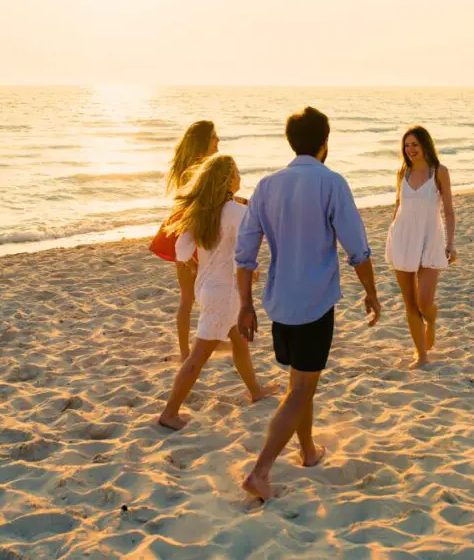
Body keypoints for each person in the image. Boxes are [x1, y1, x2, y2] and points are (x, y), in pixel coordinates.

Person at [235, 106, 382, 502]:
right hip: (315, 303)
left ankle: (308, 450)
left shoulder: (266, 186)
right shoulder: (331, 182)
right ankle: (261, 470)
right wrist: (371, 291)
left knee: (300, 380)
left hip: (280, 302)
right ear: (324, 142)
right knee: (301, 387)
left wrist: (245, 304)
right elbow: (357, 248)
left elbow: (245, 253)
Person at [157, 154, 278, 431]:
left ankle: (256, 390)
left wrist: (205, 260)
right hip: (225, 291)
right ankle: (169, 413)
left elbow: (183, 251)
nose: (239, 177)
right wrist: (249, 269)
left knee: (239, 341)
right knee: (199, 356)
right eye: (236, 172)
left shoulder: (198, 212)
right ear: (227, 179)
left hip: (207, 287)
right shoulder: (237, 212)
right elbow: (248, 245)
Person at [384, 126, 457, 368]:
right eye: (407, 145)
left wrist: (451, 244)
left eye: (415, 144)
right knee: (410, 303)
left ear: (425, 144)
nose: (410, 149)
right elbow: (398, 206)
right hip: (403, 239)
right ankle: (421, 355)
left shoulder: (439, 172)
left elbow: (448, 210)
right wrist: (393, 234)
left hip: (430, 241)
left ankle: (432, 322)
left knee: (425, 302)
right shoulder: (402, 172)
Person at [149, 120, 219, 361]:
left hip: (193, 230)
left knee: (194, 294)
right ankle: (185, 350)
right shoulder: (199, 169)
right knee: (191, 295)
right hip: (190, 232)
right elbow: (205, 203)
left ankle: (194, 347)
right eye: (214, 137)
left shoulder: (193, 167)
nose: (218, 141)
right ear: (204, 143)